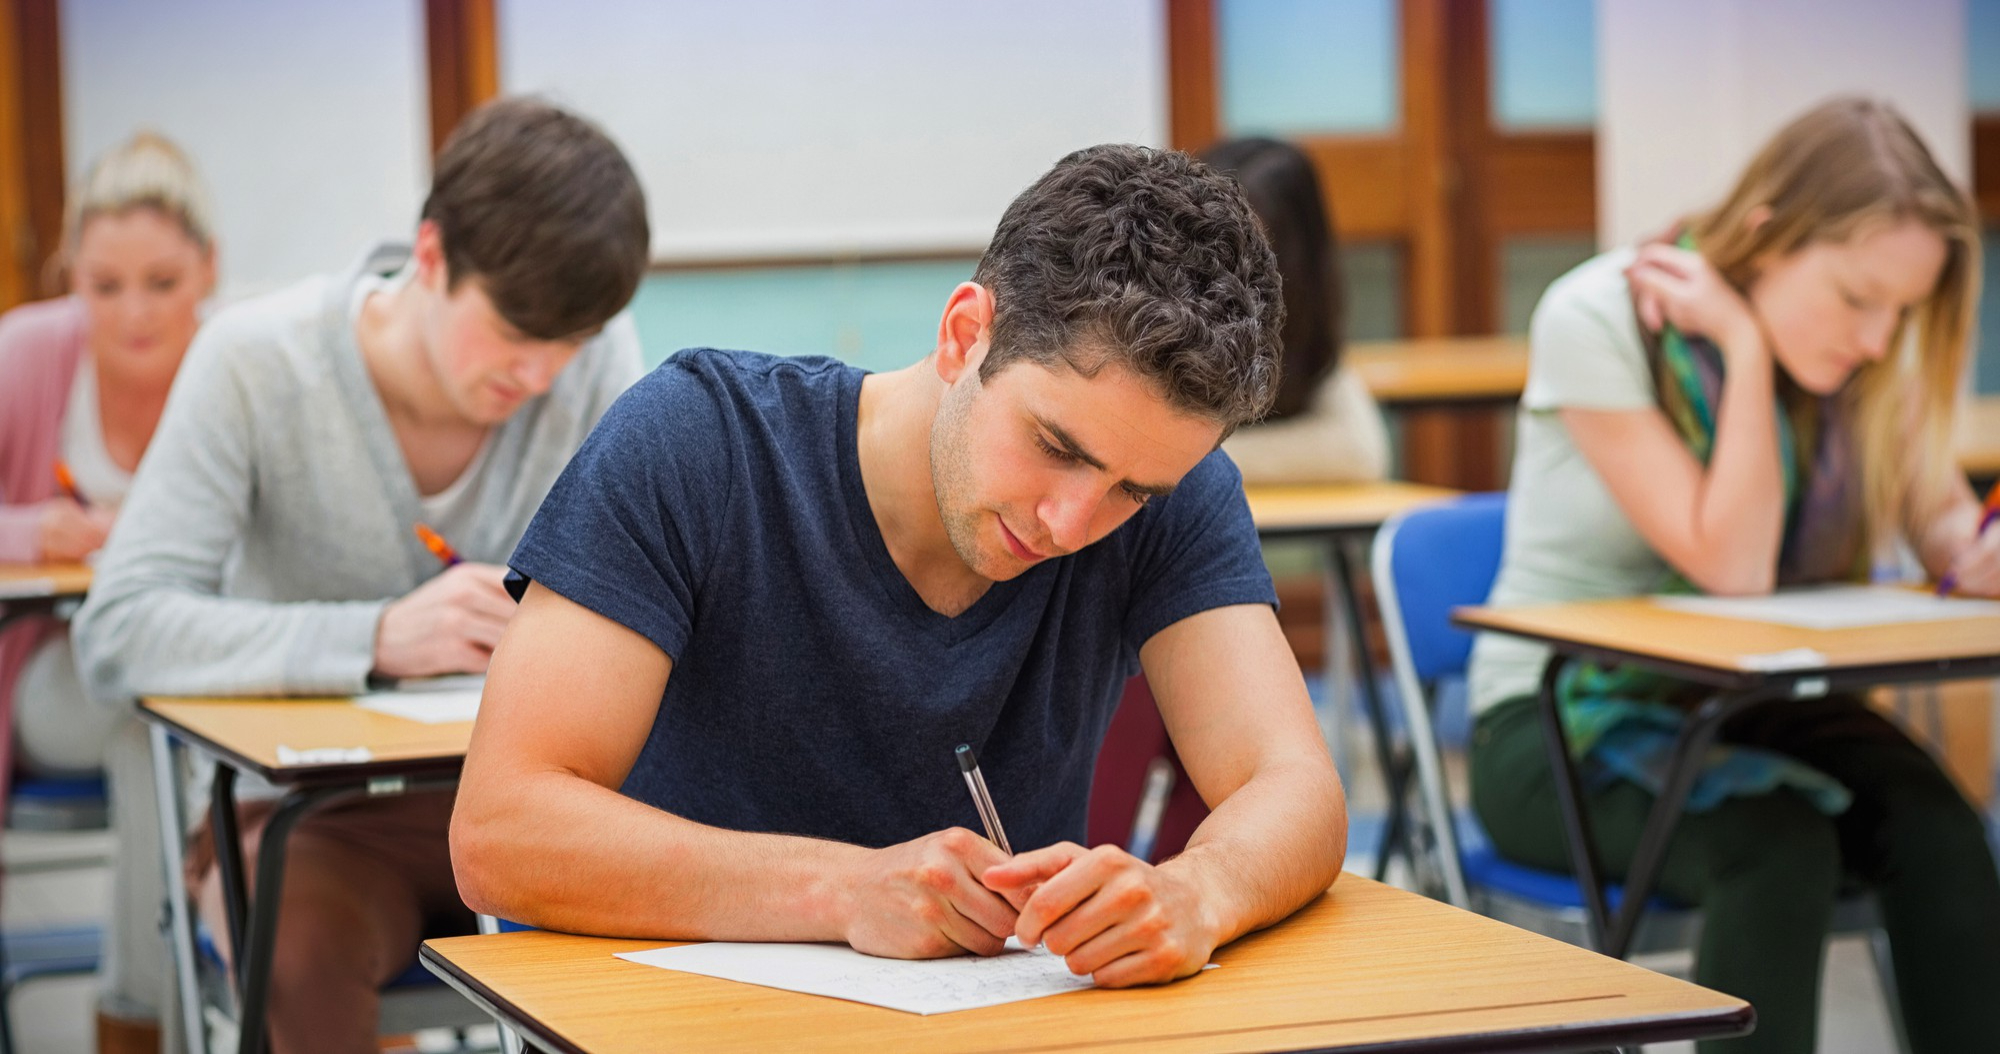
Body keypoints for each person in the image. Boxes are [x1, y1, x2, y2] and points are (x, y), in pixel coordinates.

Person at [449, 144, 1348, 985]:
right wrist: (841, 891)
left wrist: (1200, 890)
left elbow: (1295, 788)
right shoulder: (698, 442)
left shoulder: (1174, 497)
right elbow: (501, 831)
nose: (1072, 522)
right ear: (966, 335)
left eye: (1131, 492)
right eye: (1055, 446)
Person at [72, 97, 648, 1054]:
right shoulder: (257, 364)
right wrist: (373, 637)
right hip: (312, 827)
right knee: (297, 948)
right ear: (429, 257)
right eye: (514, 331)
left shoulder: (595, 363)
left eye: (572, 343)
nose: (542, 374)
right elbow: (117, 631)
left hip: (537, 812)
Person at [1466, 97, 2000, 1054]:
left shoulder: (1860, 365)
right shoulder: (1598, 317)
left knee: (1941, 830)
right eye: (1856, 298)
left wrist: (1981, 551)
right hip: (1558, 727)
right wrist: (1747, 351)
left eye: (1901, 312)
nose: (1879, 339)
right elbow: (1735, 566)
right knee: (1778, 847)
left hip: (1752, 705)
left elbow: (1951, 532)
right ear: (1763, 239)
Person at [0, 132, 213, 1054]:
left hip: (202, 664)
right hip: (51, 678)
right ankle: (142, 1024)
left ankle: (188, 1003)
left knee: (170, 725)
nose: (134, 312)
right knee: (149, 720)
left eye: (163, 283)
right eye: (105, 284)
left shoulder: (235, 365)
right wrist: (29, 530)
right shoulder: (25, 354)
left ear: (209, 270)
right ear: (70, 275)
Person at [1200, 137, 1389, 484]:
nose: (1223, 267)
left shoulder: (1303, 334)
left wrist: (1186, 460)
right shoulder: (1161, 315)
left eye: (1250, 245)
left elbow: (1359, 453)